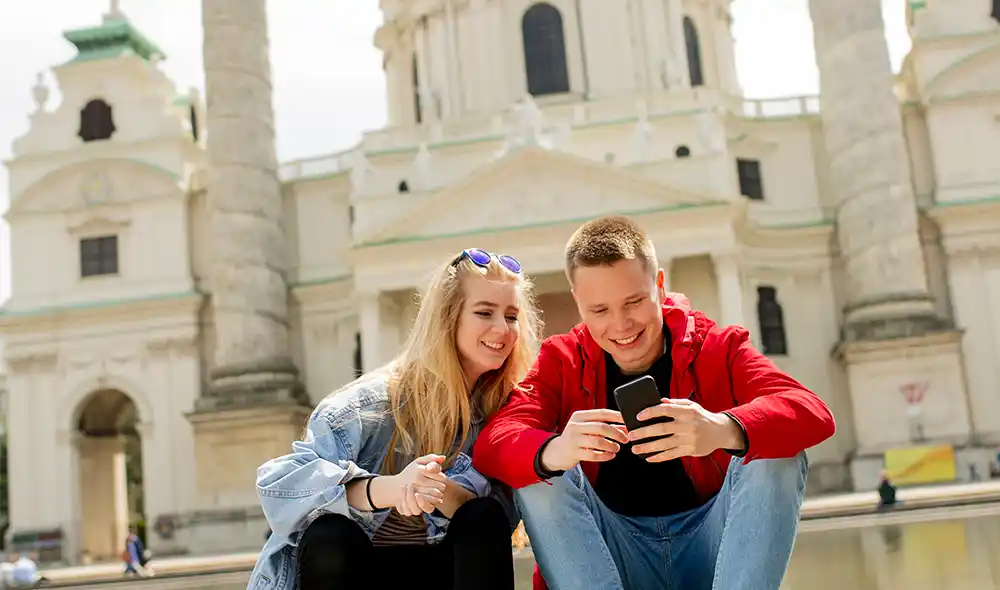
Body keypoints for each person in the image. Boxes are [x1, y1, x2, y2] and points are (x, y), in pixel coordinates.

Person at [473, 216, 836, 590]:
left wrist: (721, 428)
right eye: (600, 310)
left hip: (711, 546)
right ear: (578, 304)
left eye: (633, 302)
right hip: (613, 555)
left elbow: (812, 411)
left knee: (778, 452)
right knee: (540, 471)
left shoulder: (716, 347)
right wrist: (559, 448)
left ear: (660, 287)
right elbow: (494, 442)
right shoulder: (562, 360)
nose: (621, 325)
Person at [248, 248, 542, 590]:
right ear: (448, 318)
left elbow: (504, 522)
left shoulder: (506, 412)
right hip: (355, 574)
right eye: (484, 312)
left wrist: (436, 490)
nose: (502, 329)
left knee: (482, 518)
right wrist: (386, 489)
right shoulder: (368, 405)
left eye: (511, 316)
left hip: (438, 572)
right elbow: (281, 487)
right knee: (329, 535)